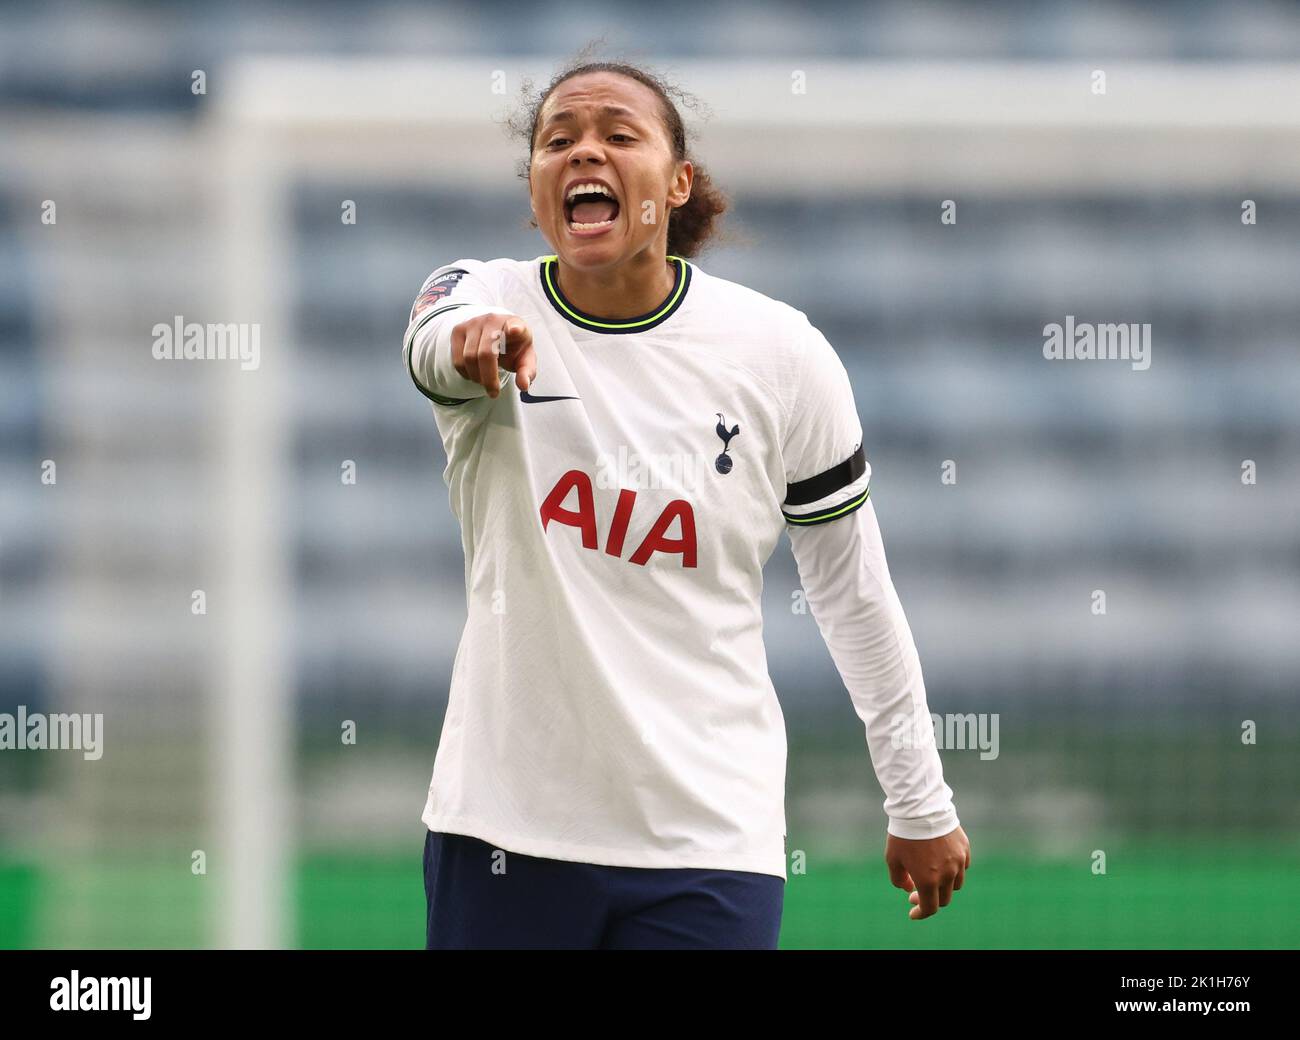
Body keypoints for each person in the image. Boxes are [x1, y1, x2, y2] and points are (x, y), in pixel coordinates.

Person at [402, 58, 970, 950]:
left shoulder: (780, 353)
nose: (584, 149)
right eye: (559, 139)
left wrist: (918, 795)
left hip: (710, 842)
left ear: (676, 184)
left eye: (618, 135)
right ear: (539, 189)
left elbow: (852, 591)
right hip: (504, 831)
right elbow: (435, 343)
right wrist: (467, 343)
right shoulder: (487, 296)